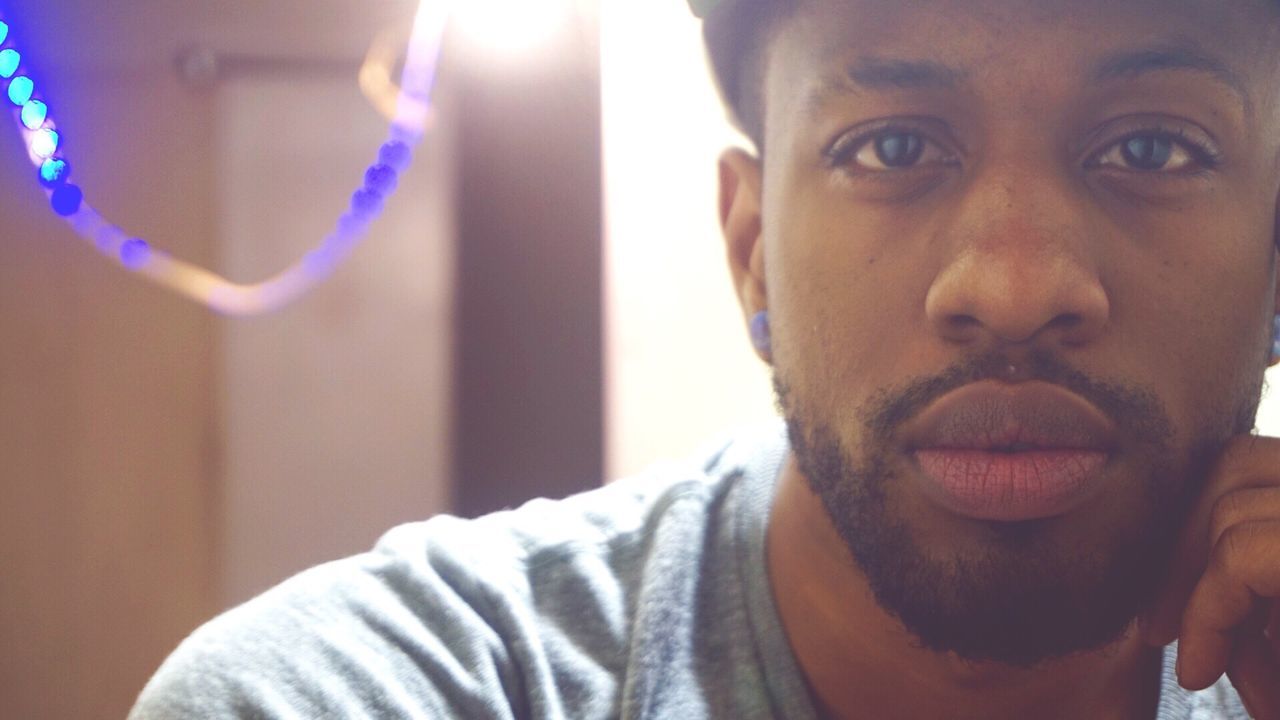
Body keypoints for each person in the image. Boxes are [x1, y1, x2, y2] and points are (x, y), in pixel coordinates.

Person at [130, 0, 1280, 717]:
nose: (1013, 288)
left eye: (1149, 146)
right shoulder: (356, 697)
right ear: (752, 253)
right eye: (890, 145)